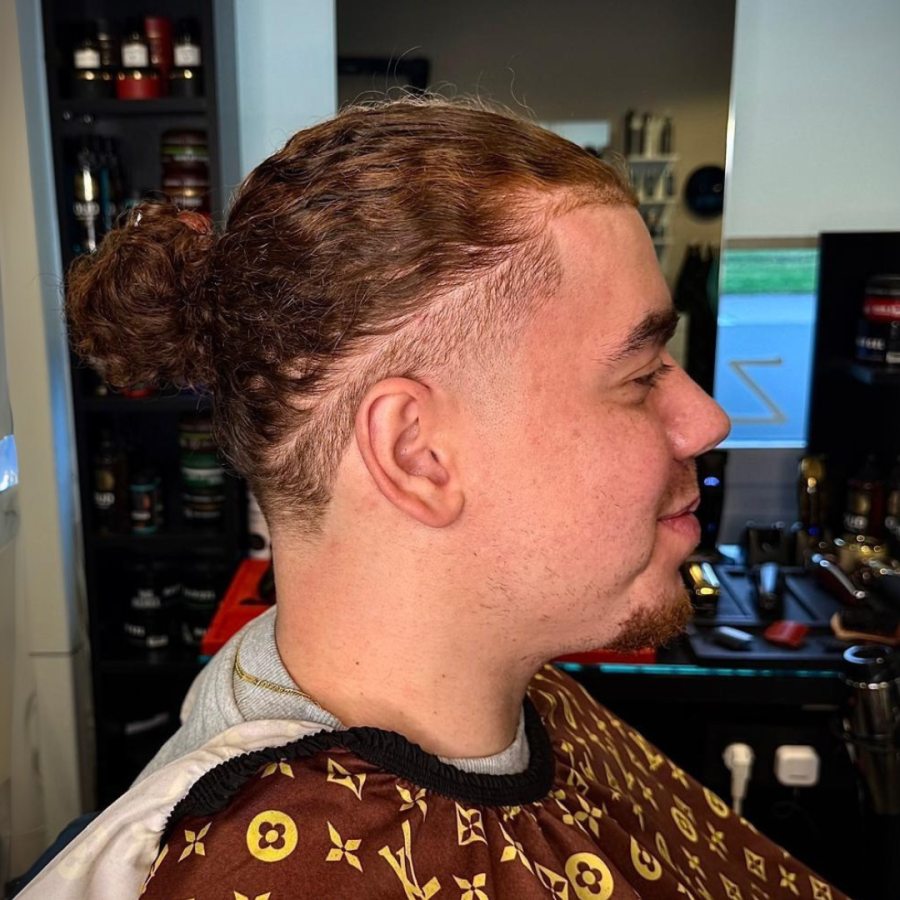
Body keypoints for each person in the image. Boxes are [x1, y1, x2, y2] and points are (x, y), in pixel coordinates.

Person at [20, 98, 848, 900]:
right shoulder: (276, 869)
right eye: (639, 375)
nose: (707, 420)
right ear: (417, 454)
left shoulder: (529, 704)